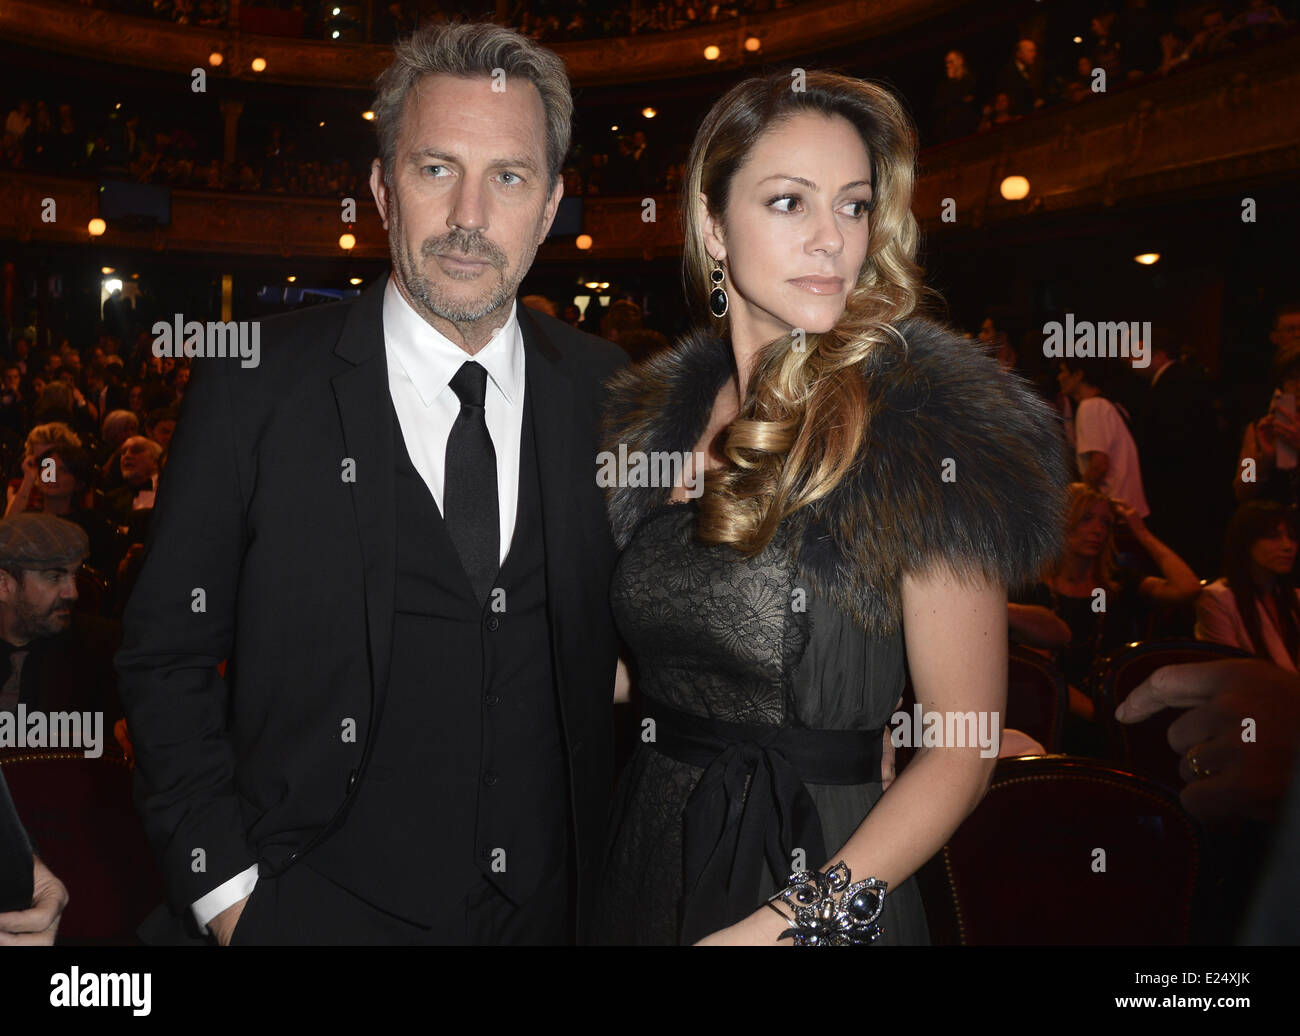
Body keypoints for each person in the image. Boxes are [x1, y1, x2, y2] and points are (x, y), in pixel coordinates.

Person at [116, 21, 626, 947]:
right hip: (309, 906)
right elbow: (165, 659)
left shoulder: (611, 391)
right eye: (437, 169)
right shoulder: (252, 387)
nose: (470, 213)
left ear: (549, 206)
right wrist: (228, 899)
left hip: (556, 914)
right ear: (384, 191)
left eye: (508, 177)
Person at [593, 69, 1070, 946]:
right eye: (788, 203)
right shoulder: (651, 424)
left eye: (852, 207)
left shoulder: (924, 425)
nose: (830, 240)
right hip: (645, 856)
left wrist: (781, 931)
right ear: (711, 225)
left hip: (818, 877)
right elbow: (638, 665)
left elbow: (962, 746)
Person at [1010, 482, 1199, 728]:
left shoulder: (1118, 584)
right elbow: (1045, 674)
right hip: (1057, 713)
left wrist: (1141, 533)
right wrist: (1101, 719)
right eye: (1086, 519)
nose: (1097, 530)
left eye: (1105, 523)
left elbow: (1188, 588)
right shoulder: (1033, 588)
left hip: (1117, 706)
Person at [1196, 501, 1300, 671]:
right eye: (1273, 536)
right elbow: (1231, 673)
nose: (1288, 546)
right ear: (1245, 542)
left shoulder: (1295, 598)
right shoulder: (1217, 599)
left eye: (1293, 537)